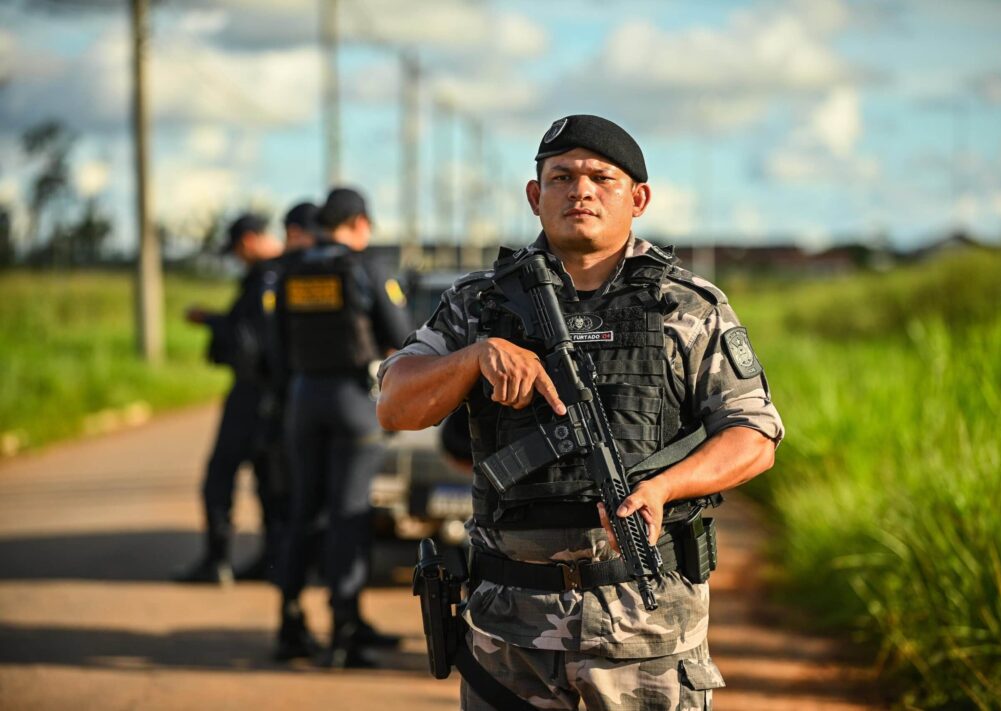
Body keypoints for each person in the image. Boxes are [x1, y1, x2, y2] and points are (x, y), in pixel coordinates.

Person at [377, 114, 784, 710]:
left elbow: (754, 434)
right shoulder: (478, 305)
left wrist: (664, 488)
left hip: (646, 633)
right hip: (509, 636)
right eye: (561, 176)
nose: (581, 190)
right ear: (535, 196)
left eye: (601, 177)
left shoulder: (686, 306)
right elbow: (395, 405)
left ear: (638, 198)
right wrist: (475, 358)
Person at [273, 187, 413, 667]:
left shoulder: (289, 269)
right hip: (354, 402)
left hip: (303, 400)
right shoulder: (367, 266)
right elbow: (402, 335)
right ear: (357, 223)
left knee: (303, 512)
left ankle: (289, 622)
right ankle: (343, 631)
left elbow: (275, 345)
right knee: (348, 515)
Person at [175, 213, 287, 585]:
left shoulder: (263, 278)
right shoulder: (288, 271)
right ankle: (273, 562)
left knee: (220, 475)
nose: (239, 257)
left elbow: (248, 341)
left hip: (253, 392)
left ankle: (216, 561)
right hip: (283, 395)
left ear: (250, 240)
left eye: (238, 249)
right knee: (268, 480)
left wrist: (210, 321)